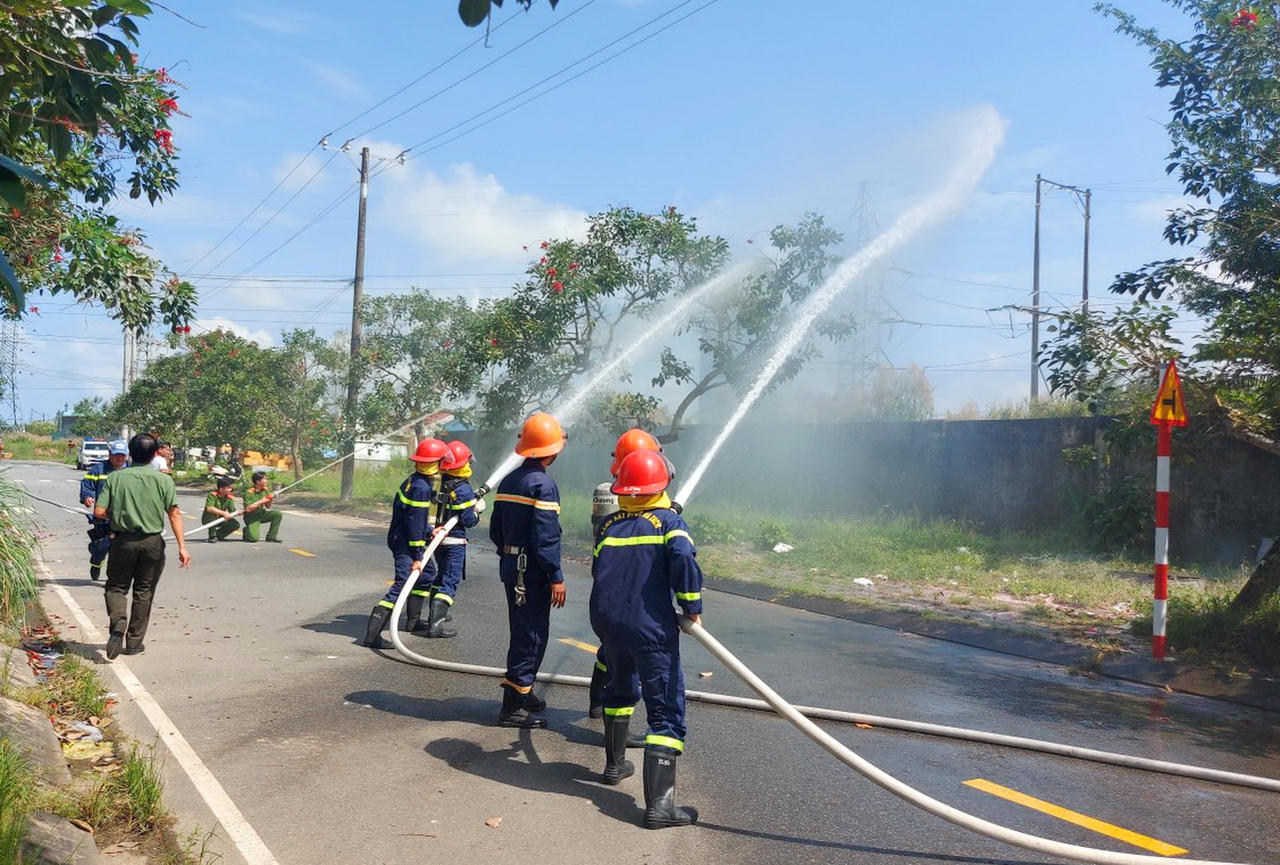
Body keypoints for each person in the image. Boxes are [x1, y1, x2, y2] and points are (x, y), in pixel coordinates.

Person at [590, 448, 701, 829]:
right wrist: (691, 605)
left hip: (611, 629)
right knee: (665, 714)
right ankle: (660, 807)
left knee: (619, 695)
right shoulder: (670, 523)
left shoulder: (609, 526)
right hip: (651, 632)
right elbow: (684, 561)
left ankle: (614, 764)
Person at [489, 412, 567, 728]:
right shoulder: (543, 485)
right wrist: (556, 576)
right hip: (530, 569)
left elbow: (495, 528)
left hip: (512, 563)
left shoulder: (510, 480)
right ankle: (513, 706)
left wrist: (509, 554)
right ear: (552, 450)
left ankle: (524, 690)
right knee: (531, 633)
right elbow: (546, 537)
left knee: (524, 628)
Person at [587, 427, 666, 718]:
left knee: (610, 648)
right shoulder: (625, 490)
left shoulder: (616, 487)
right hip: (632, 583)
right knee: (623, 655)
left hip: (609, 587)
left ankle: (598, 701)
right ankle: (607, 706)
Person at [93, 433, 191, 659]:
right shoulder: (164, 480)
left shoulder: (116, 478)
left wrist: (117, 514)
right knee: (144, 591)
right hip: (153, 543)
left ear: (129, 453)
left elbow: (98, 512)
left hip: (123, 542)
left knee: (116, 587)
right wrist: (182, 547)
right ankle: (134, 642)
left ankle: (118, 621)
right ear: (155, 454)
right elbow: (174, 514)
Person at [362, 438, 451, 649]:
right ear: (435, 463)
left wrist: (430, 530)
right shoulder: (420, 487)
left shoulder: (416, 481)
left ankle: (413, 621)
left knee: (428, 574)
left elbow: (413, 519)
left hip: (407, 537)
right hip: (406, 543)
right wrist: (418, 556)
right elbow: (413, 524)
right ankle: (371, 636)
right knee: (403, 583)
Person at [418, 440, 485, 638]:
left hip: (437, 539)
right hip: (454, 541)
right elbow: (468, 520)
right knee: (450, 581)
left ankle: (435, 615)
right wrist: (477, 511)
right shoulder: (462, 488)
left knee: (440, 577)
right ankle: (436, 626)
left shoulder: (440, 481)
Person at [79, 439, 129, 580]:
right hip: (104, 516)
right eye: (116, 455)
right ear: (109, 454)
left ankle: (116, 576)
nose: (120, 458)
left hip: (125, 518)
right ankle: (96, 562)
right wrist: (87, 497)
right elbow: (87, 485)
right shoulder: (98, 469)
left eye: (123, 455)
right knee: (102, 546)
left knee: (122, 547)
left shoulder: (131, 470)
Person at [242, 471, 283, 543]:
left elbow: (268, 507)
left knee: (277, 514)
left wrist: (270, 498)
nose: (266, 480)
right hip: (251, 517)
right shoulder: (249, 492)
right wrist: (263, 500)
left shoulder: (265, 490)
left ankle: (271, 537)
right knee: (253, 539)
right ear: (257, 481)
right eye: (265, 479)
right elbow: (248, 509)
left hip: (261, 514)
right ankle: (247, 531)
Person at [201, 476, 240, 542]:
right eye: (228, 488)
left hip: (221, 519)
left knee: (235, 524)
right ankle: (212, 536)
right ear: (221, 489)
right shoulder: (212, 495)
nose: (230, 489)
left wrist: (239, 512)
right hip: (209, 519)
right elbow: (209, 508)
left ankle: (218, 535)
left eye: (230, 487)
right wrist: (224, 513)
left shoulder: (229, 497)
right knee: (212, 513)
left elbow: (232, 511)